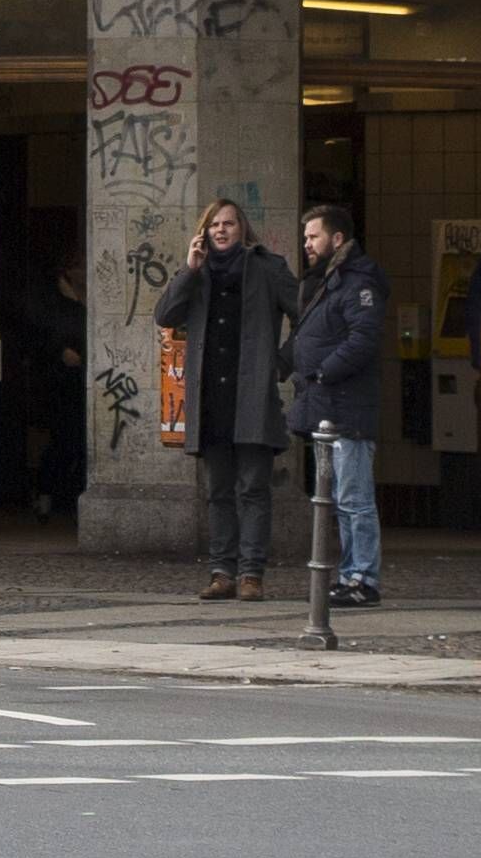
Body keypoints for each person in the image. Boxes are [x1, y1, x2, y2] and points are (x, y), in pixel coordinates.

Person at [153, 198, 297, 598]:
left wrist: (280, 363)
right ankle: (222, 572)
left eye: (228, 224)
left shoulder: (269, 268)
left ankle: (252, 574)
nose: (221, 230)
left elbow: (307, 317)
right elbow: (165, 316)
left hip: (251, 394)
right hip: (210, 396)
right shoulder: (197, 273)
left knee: (253, 488)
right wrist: (188, 269)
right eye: (214, 224)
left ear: (242, 228)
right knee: (218, 491)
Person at [293, 201, 389, 608]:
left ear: (337, 238)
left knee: (354, 500)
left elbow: (363, 339)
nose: (307, 244)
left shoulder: (356, 282)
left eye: (313, 236)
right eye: (305, 238)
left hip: (347, 407)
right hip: (329, 406)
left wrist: (322, 371)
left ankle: (361, 579)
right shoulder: (330, 280)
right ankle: (352, 574)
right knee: (340, 501)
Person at [6, 249, 89, 522]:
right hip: (57, 381)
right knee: (62, 440)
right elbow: (41, 336)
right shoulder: (53, 302)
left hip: (82, 379)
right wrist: (60, 352)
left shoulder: (87, 299)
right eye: (77, 267)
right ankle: (46, 494)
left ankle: (64, 496)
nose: (82, 272)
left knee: (76, 441)